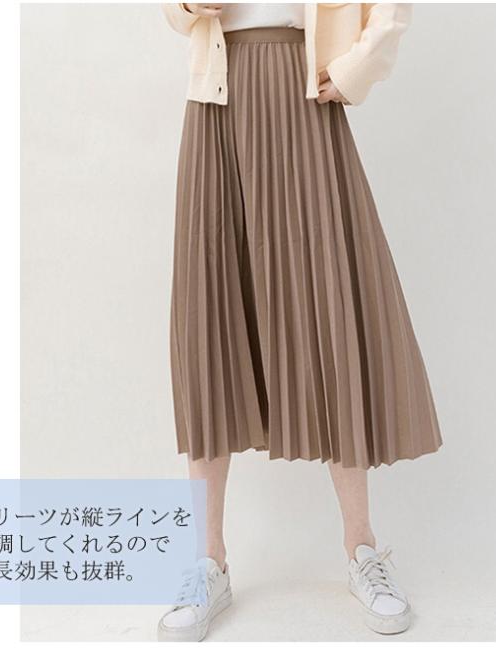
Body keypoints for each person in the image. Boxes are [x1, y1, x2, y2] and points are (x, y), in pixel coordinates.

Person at [158, 3, 443, 641]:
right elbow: (175, 13)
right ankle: (208, 560)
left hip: (303, 90)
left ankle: (362, 548)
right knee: (211, 313)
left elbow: (389, 8)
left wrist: (356, 69)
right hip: (216, 97)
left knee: (327, 307)